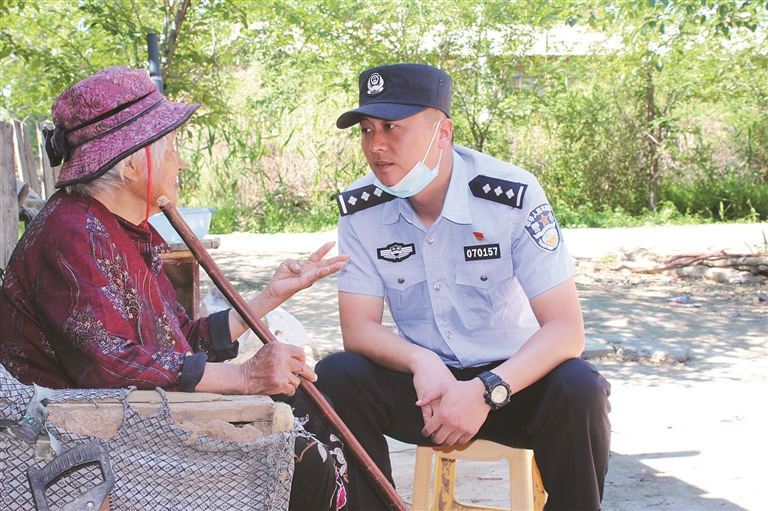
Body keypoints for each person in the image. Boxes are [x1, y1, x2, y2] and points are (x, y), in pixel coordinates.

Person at [0, 66, 348, 511]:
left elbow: (181, 339)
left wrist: (269, 297)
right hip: (84, 450)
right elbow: (110, 367)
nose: (180, 163)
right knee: (303, 458)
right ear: (130, 164)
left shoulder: (120, 228)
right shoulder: (73, 234)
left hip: (128, 427)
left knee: (311, 405)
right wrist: (242, 377)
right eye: (170, 150)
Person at [314, 63, 612, 510]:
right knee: (334, 378)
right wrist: (421, 360)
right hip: (426, 393)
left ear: (444, 133)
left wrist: (487, 390)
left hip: (513, 386)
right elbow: (357, 329)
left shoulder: (511, 196)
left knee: (580, 387)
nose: (375, 145)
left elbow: (567, 330)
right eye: (367, 130)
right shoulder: (361, 209)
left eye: (393, 127)